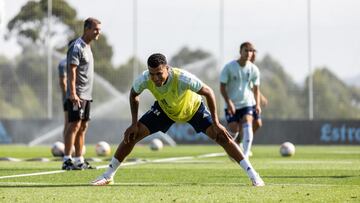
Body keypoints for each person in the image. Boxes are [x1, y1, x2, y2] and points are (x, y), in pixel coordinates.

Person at [91, 53, 265, 186]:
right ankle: (108, 175)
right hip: (165, 110)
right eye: (152, 74)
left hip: (193, 109)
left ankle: (253, 175)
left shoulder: (182, 78)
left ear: (167, 68)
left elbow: (209, 92)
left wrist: (217, 123)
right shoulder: (145, 78)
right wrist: (134, 123)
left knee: (222, 136)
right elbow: (134, 94)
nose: (155, 78)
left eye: (159, 73)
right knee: (131, 136)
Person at [62, 17, 101, 170]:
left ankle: (79, 159)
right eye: (95, 29)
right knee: (74, 125)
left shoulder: (88, 47)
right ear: (87, 29)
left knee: (83, 126)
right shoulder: (76, 46)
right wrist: (72, 93)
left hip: (86, 94)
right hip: (77, 94)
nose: (98, 32)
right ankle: (67, 160)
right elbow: (71, 71)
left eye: (99, 29)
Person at [220, 42, 263, 158]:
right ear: (240, 52)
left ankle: (245, 155)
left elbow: (256, 90)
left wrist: (258, 104)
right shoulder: (229, 67)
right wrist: (228, 102)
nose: (249, 53)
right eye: (246, 50)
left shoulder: (254, 69)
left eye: (251, 51)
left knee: (249, 123)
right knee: (234, 128)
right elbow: (222, 87)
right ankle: (236, 143)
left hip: (247, 103)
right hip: (232, 104)